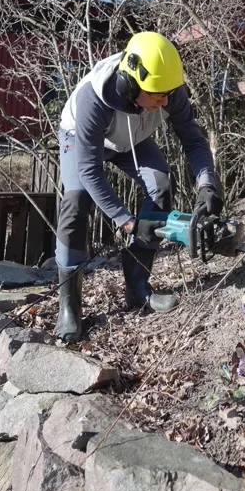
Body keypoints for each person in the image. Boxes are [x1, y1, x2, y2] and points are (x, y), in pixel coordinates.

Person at [54, 31, 223, 343]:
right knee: (76, 203)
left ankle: (138, 288)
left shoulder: (170, 89)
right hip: (80, 138)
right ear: (130, 85)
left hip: (133, 139)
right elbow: (89, 172)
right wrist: (128, 222)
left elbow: (194, 142)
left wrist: (207, 185)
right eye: (157, 95)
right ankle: (69, 308)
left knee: (160, 184)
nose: (164, 101)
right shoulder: (93, 99)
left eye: (169, 94)